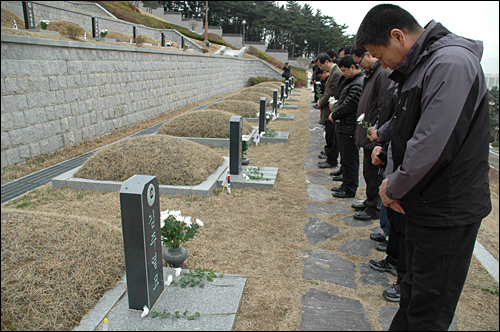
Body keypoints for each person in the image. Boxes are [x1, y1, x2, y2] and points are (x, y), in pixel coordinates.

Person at [355, 4, 491, 330]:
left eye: (379, 54)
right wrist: (387, 152)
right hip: (423, 205)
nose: (381, 64)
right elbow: (409, 127)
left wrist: (392, 186)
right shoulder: (423, 64)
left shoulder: (450, 64)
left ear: (398, 36)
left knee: (427, 311)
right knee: (413, 298)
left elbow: (433, 142)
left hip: (446, 209)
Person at [351, 45, 392, 221]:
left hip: (375, 134)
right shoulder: (371, 73)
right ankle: (370, 202)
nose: (359, 66)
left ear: (368, 55)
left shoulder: (382, 73)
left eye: (359, 61)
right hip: (368, 132)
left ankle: (373, 208)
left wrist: (378, 129)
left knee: (374, 175)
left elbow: (384, 105)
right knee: (368, 173)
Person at [329, 55, 365, 198]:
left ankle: (350, 188)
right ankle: (345, 184)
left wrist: (335, 114)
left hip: (350, 126)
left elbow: (349, 104)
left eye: (344, 71)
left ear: (352, 67)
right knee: (345, 158)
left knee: (350, 160)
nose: (343, 74)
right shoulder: (352, 81)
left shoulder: (357, 83)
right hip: (345, 125)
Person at [316, 53, 343, 169]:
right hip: (328, 109)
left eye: (321, 65)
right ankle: (329, 157)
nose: (321, 69)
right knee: (329, 135)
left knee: (332, 137)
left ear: (327, 62)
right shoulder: (333, 72)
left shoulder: (336, 73)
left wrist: (321, 102)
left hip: (331, 109)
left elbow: (330, 92)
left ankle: (332, 160)